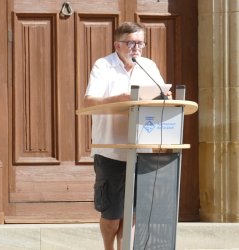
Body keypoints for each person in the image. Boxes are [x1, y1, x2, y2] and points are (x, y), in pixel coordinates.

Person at [84, 21, 170, 250]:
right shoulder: (103, 66)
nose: (136, 48)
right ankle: (108, 247)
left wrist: (166, 98)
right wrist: (120, 98)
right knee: (112, 216)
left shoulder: (148, 67)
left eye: (140, 43)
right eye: (131, 43)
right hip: (111, 150)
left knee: (132, 213)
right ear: (117, 45)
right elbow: (89, 101)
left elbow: (162, 94)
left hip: (142, 150)